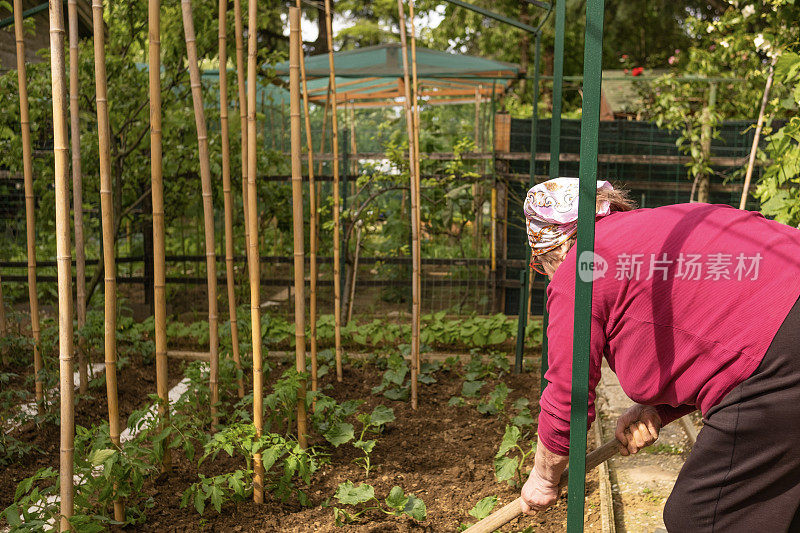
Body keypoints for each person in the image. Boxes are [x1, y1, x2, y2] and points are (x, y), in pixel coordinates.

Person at [518, 177, 800, 531]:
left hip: (781, 353)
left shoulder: (582, 266)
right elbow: (714, 330)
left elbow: (568, 397)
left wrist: (543, 479)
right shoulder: (657, 227)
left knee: (701, 517)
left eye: (539, 265)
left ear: (552, 247)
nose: (546, 277)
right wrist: (660, 410)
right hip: (781, 343)